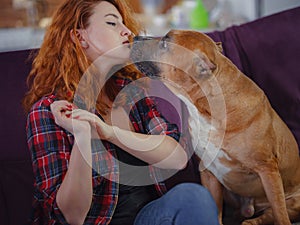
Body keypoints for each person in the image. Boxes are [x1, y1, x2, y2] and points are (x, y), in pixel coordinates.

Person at [23, 0, 220, 224]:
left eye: (123, 23)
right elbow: (72, 217)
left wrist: (108, 132)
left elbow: (176, 158)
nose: (126, 31)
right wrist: (83, 137)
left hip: (148, 218)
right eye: (111, 23)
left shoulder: (131, 93)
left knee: (192, 197)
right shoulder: (48, 111)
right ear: (80, 37)